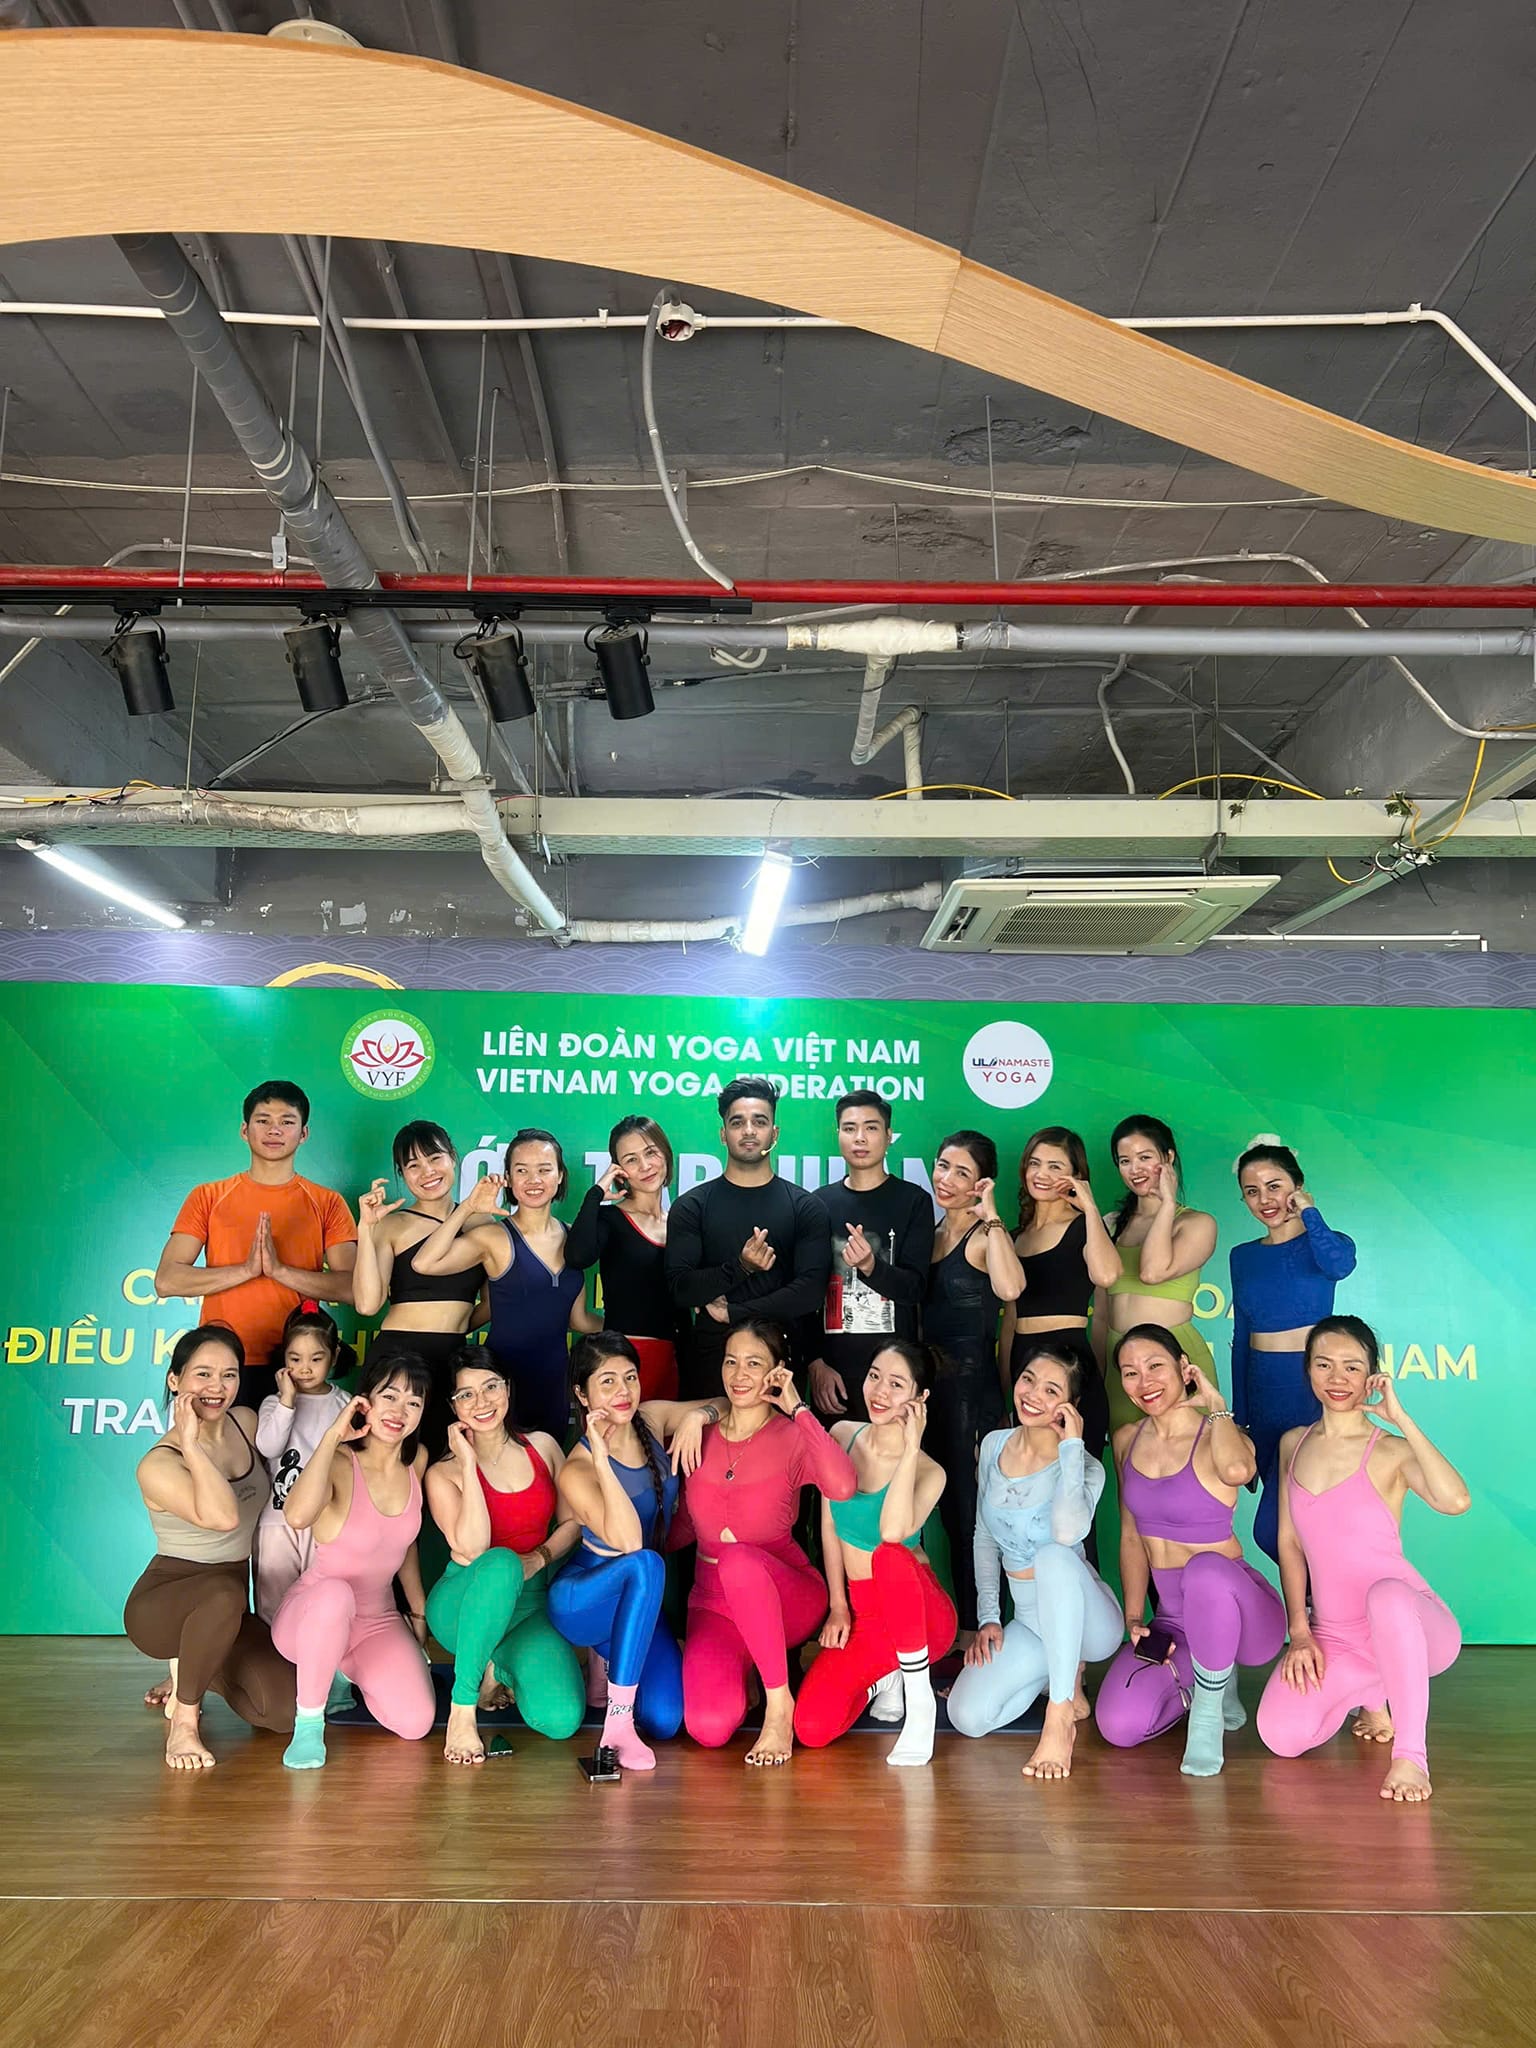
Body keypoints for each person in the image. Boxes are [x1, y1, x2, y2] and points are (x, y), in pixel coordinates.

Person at [1257, 1316, 1468, 1803]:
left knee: (1387, 1594)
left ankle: (1410, 1756)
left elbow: (1456, 1501)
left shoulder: (1390, 1450)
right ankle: (1374, 1691)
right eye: (1324, 1364)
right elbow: (1290, 1545)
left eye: (1352, 1367)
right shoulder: (1293, 1444)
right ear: (1308, 1370)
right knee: (1280, 1737)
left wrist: (1402, 1420)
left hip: (1413, 1625)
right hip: (1338, 1638)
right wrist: (1301, 1632)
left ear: (1372, 1374)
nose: (1338, 1378)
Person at [1095, 1325, 1285, 1776]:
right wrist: (1135, 1618)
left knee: (1204, 1570)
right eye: (1130, 1372)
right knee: (1118, 1726)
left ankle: (1207, 1717)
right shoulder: (1127, 1440)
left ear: (1184, 1368)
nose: (1144, 1381)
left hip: (1245, 1617)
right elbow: (1130, 1536)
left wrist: (1216, 1406)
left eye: (1155, 1366)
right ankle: (1206, 1682)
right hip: (1175, 1622)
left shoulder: (1219, 1433)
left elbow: (1238, 1470)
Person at [676, 1318, 856, 1765]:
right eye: (731, 1362)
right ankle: (751, 1672)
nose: (739, 1375)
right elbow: (685, 1524)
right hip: (713, 1603)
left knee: (738, 1560)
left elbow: (842, 1486)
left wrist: (797, 1407)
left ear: (777, 1371)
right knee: (708, 1728)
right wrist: (699, 1413)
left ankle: (779, 1706)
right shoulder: (697, 1434)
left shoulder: (793, 1436)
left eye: (754, 1364)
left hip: (787, 1593)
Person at [947, 1341, 1123, 1780]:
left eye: (1051, 1390)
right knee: (967, 1716)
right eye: (1028, 1380)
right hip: (1030, 1622)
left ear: (1071, 1405)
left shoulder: (1087, 1468)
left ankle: (1059, 1716)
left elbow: (1066, 1534)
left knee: (1053, 1556)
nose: (1033, 1395)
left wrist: (1071, 1447)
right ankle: (1057, 1676)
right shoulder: (994, 1445)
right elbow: (983, 1536)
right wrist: (989, 1616)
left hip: (1089, 1626)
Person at [124, 1326, 296, 1768]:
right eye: (202, 1374)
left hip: (228, 1606)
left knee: (283, 1712)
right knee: (222, 1594)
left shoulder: (246, 1423)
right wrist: (190, 1442)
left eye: (229, 1375)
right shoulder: (159, 1463)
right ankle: (184, 1721)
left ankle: (196, 1665)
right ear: (175, 1380)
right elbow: (223, 1517)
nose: (217, 1387)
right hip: (165, 1601)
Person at [271, 1353, 436, 1769]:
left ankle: (343, 1669)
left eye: (413, 1402)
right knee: (336, 1594)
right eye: (389, 1396)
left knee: (416, 1722)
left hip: (375, 1620)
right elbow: (297, 1516)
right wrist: (333, 1436)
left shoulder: (416, 1460)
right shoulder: (340, 1461)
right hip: (313, 1613)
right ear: (366, 1401)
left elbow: (404, 1545)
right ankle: (309, 1724)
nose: (399, 1411)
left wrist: (418, 1614)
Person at [793, 1341, 953, 1766]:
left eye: (897, 1384)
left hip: (923, 1619)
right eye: (875, 1376)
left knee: (889, 1554)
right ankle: (887, 1678)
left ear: (920, 1398)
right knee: (811, 1728)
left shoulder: (930, 1471)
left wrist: (911, 1448)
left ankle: (920, 1702)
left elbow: (892, 1532)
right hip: (865, 1616)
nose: (880, 1391)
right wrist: (838, 1606)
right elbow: (828, 1526)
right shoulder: (842, 1435)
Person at [422, 1349, 584, 1765]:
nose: (481, 1402)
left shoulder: (543, 1447)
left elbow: (573, 1524)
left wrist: (540, 1558)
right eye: (466, 1394)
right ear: (453, 1407)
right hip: (463, 1603)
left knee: (561, 1720)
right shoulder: (443, 1473)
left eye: (490, 1387)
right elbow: (475, 1549)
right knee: (501, 1562)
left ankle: (498, 1666)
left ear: (507, 1389)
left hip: (528, 1607)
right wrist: (468, 1462)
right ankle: (463, 1708)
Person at [154, 1079, 357, 1408]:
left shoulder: (327, 1202)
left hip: (297, 1365)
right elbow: (167, 1280)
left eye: (287, 1122)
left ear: (303, 1133)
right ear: (244, 1130)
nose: (274, 1130)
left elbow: (352, 1288)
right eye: (263, 1120)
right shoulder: (208, 1196)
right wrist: (247, 1270)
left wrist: (279, 1271)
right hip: (225, 1366)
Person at [546, 1334, 686, 1770]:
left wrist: (699, 1418)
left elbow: (723, 1402)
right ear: (582, 1394)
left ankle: (610, 1662)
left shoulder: (652, 1419)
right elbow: (630, 1545)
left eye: (630, 1377)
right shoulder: (576, 1467)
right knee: (645, 1563)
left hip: (639, 1600)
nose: (623, 1391)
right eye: (607, 1381)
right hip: (584, 1598)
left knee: (666, 1719)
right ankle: (618, 1723)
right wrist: (603, 1459)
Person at [411, 1128, 599, 1442]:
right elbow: (424, 1263)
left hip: (555, 1383)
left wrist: (631, 1327)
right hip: (500, 1385)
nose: (533, 1179)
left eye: (544, 1170)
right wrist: (467, 1208)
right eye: (522, 1171)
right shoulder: (495, 1237)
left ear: (560, 1176)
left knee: (548, 1465)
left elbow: (579, 1320)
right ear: (508, 1179)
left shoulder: (574, 1238)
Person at [1230, 1135, 1357, 1561]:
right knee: (1283, 1527)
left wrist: (1310, 1213)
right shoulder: (1242, 1256)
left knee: (1296, 1522)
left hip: (1311, 1390)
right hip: (1263, 1394)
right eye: (1252, 1191)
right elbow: (1242, 1338)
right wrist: (1241, 1421)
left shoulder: (1327, 1242)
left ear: (1297, 1186)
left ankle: (1327, 1595)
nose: (1264, 1199)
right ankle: (1311, 1601)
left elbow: (1339, 1265)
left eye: (1274, 1186)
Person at [664, 1078, 832, 1399]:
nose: (749, 1131)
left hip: (781, 1360)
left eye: (760, 1121)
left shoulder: (805, 1207)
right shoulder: (692, 1206)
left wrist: (734, 1311)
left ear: (774, 1133)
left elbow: (809, 1293)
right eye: (737, 1122)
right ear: (723, 1134)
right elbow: (680, 1288)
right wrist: (740, 1267)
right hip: (710, 1362)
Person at [922, 1131, 1024, 1642]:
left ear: (982, 1183)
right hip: (928, 1393)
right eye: (943, 1166)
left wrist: (992, 1215)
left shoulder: (986, 1236)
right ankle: (951, 1631)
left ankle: (981, 1631)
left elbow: (1010, 1288)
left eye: (962, 1172)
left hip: (971, 1394)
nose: (947, 1179)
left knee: (971, 1518)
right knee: (941, 1516)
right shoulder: (930, 1232)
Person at [351, 1120, 488, 1446]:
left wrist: (456, 1324)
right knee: (382, 1456)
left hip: (453, 1356)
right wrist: (366, 1229)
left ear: (453, 1157)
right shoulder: (391, 1225)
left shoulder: (482, 1222)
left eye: (435, 1158)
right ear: (401, 1173)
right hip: (397, 1354)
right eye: (413, 1165)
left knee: (444, 1454)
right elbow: (368, 1305)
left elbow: (494, 1301)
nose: (427, 1171)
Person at [806, 1092, 935, 1427]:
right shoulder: (817, 1204)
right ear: (838, 1134)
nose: (860, 1138)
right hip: (833, 1376)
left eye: (871, 1128)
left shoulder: (914, 1201)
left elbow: (915, 1288)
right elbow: (806, 1293)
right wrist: (815, 1362)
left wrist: (870, 1267)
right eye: (849, 1128)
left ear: (889, 1136)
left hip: (895, 1378)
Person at [1000, 1127, 1122, 1459]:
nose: (1041, 1174)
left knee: (1074, 1477)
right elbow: (1010, 1320)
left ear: (1076, 1176)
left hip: (1071, 1366)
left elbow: (1107, 1275)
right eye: (1035, 1163)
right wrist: (1003, 1390)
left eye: (1055, 1166)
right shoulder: (1014, 1236)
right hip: (1025, 1366)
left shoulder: (1084, 1226)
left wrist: (1090, 1207)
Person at [1097, 1115, 1219, 1434]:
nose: (1135, 1169)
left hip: (1175, 1356)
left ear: (1168, 1158)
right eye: (1125, 1161)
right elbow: (1102, 1313)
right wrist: (1098, 1373)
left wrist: (1165, 1205)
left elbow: (1152, 1272)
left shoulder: (1196, 1223)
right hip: (1122, 1362)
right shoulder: (1111, 1224)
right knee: (1128, 1456)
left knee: (1191, 1454)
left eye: (1145, 1157)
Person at [564, 1116, 686, 1403]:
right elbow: (577, 1255)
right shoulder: (610, 1218)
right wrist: (596, 1195)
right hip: (627, 1361)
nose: (645, 1166)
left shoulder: (683, 1222)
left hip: (680, 1358)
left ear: (666, 1154)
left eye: (650, 1152)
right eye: (631, 1160)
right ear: (619, 1170)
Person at [253, 1304, 351, 1624]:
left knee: (319, 1597)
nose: (305, 1369)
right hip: (277, 1517)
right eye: (295, 1359)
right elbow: (269, 1446)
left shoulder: (345, 1403)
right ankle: (274, 1654)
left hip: (325, 1517)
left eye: (316, 1359)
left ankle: (314, 1651)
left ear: (334, 1356)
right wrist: (287, 1401)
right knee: (274, 1600)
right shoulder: (273, 1403)